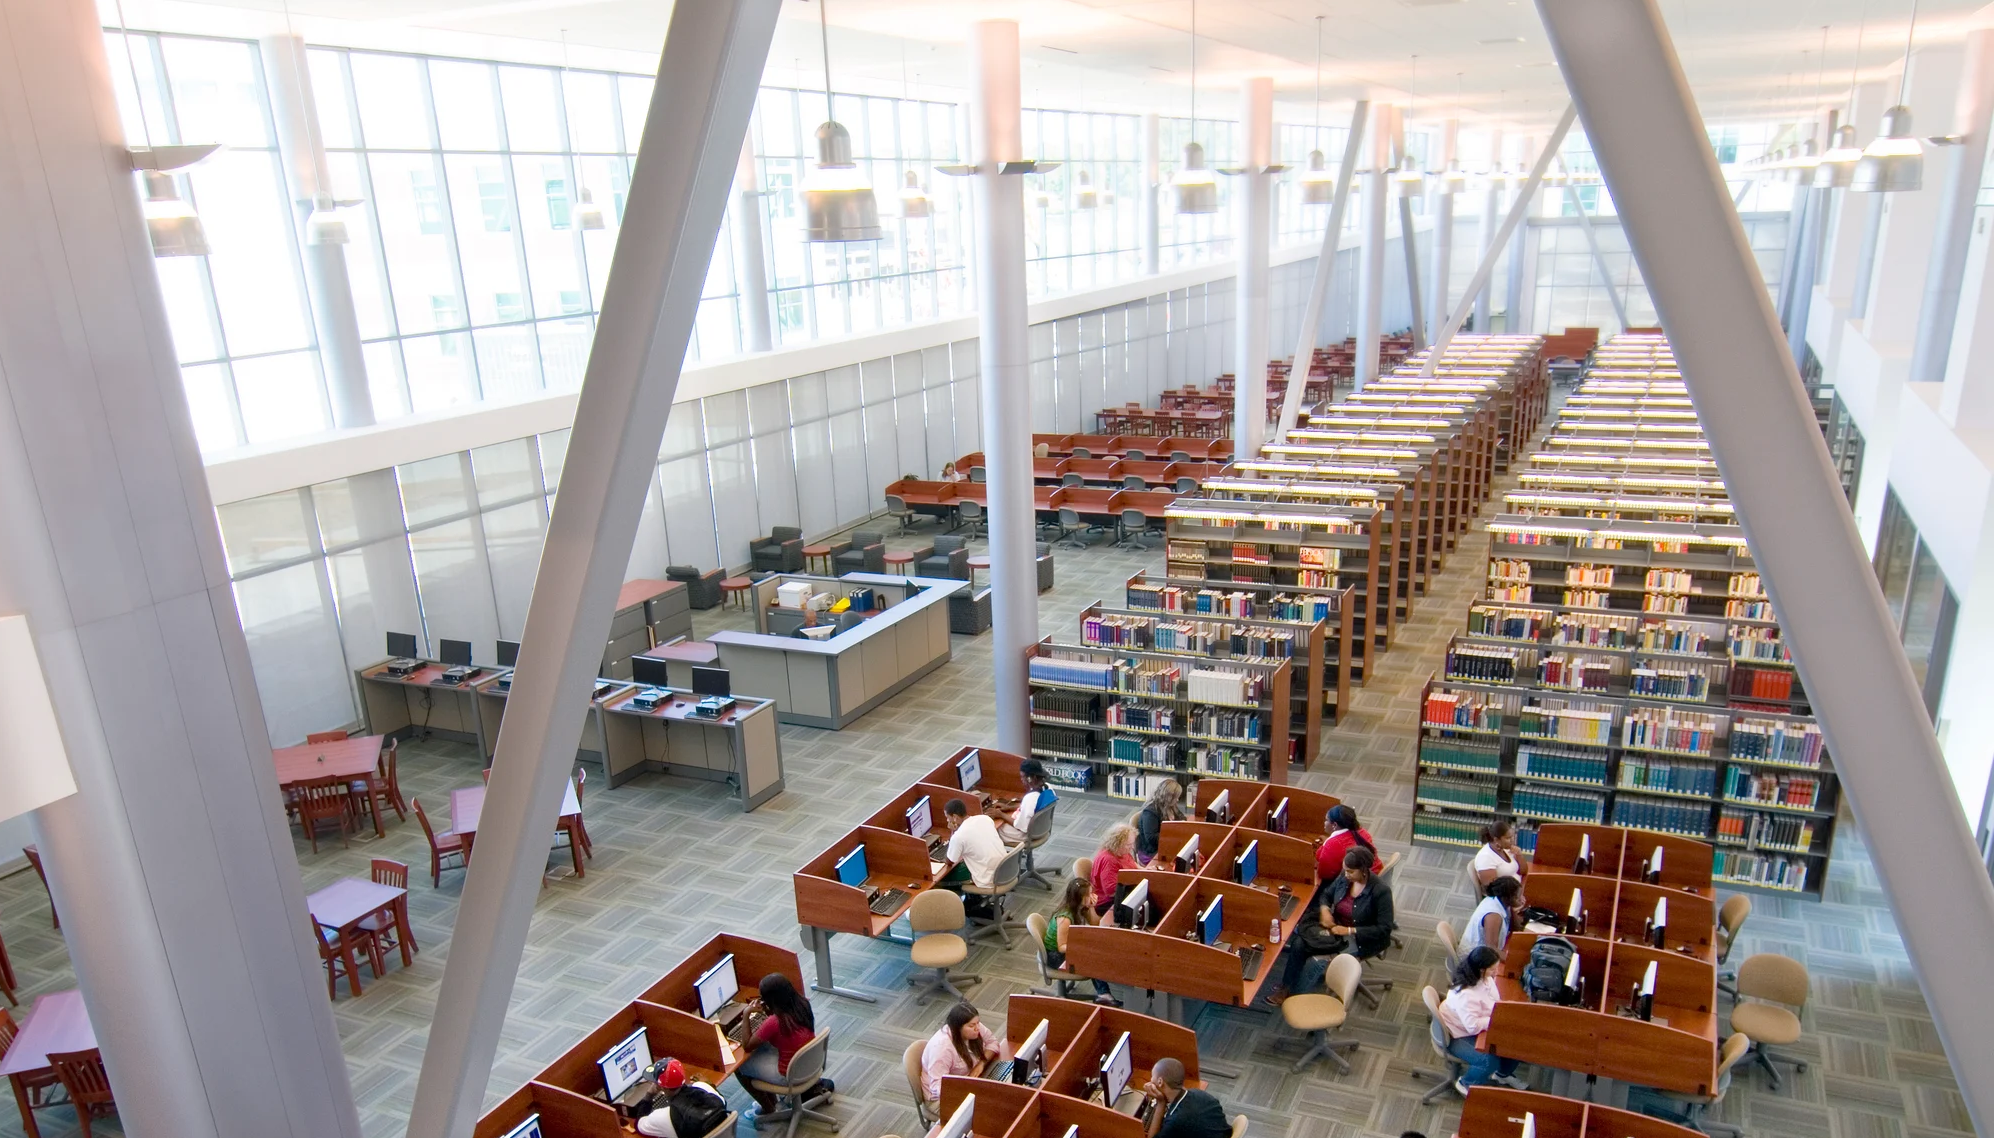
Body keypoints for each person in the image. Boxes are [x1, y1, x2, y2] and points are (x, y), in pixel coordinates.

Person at [1269, 847, 1396, 1002]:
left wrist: (1349, 930)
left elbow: (1384, 929)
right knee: (1299, 944)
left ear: (1363, 870)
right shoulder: (1345, 877)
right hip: (1336, 927)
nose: (1346, 875)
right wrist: (1325, 910)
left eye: (1350, 872)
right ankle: (1286, 987)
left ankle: (1296, 998)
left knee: (1318, 961)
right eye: (1345, 871)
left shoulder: (1380, 892)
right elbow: (1327, 894)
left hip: (1361, 939)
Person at [1436, 946, 1529, 1093]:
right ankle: (1466, 1083)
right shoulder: (1466, 995)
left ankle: (1502, 1074)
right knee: (1488, 1061)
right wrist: (1496, 1018)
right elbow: (1472, 1026)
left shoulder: (1485, 978)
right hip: (1456, 1034)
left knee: (1515, 1041)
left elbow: (1493, 1001)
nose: (1495, 972)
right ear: (1481, 969)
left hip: (1475, 1023)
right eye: (1492, 969)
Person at [735, 974, 817, 1123]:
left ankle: (769, 1108)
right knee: (762, 1048)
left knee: (739, 1067)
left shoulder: (774, 1022)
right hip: (809, 1063)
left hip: (789, 1075)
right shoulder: (803, 1003)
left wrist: (746, 1014)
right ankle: (772, 1100)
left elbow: (747, 1046)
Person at [1044, 876, 1120, 1004]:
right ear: (1079, 898)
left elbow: (1096, 923)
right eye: (1089, 894)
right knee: (1092, 956)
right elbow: (1061, 946)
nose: (1093, 895)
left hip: (1071, 945)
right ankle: (1103, 994)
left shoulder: (1081, 908)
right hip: (1055, 955)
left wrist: (1091, 907)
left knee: (1098, 948)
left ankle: (1107, 988)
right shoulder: (1065, 918)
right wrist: (1082, 948)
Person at [920, 1001, 1000, 1104]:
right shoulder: (942, 1049)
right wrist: (967, 1094)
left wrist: (981, 1064)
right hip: (942, 1100)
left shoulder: (974, 1026)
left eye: (978, 1023)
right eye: (971, 1026)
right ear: (958, 1028)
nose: (977, 1028)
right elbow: (939, 1088)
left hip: (970, 1080)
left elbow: (992, 1042)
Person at [634, 1058, 730, 1138]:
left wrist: (649, 1095)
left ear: (660, 1086)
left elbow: (640, 1126)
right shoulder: (703, 1087)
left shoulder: (664, 1116)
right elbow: (722, 1102)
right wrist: (708, 1084)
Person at [1140, 1058, 1229, 1138]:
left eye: (1152, 1077)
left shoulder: (1176, 1121)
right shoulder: (1199, 1093)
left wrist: (1161, 1103)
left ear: (1160, 1082)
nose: (1150, 1081)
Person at [940, 797, 1010, 892]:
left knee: (943, 879)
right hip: (1006, 868)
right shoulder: (985, 818)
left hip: (989, 878)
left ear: (955, 817)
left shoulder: (958, 837)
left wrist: (953, 832)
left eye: (948, 818)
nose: (947, 821)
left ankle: (965, 904)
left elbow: (949, 861)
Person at [1315, 805, 1400, 880]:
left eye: (1326, 820)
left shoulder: (1333, 844)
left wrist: (1324, 846)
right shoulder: (1362, 832)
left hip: (1360, 887)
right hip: (1374, 878)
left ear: (1334, 825)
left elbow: (1324, 874)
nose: (1324, 822)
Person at [1458, 875, 1524, 957]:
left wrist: (1513, 909)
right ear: (1506, 898)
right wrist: (1512, 961)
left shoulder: (1503, 902)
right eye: (1517, 897)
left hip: (1488, 952)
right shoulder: (1493, 916)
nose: (1522, 899)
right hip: (1475, 958)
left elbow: (1516, 929)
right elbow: (1491, 949)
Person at [994, 759, 1055, 843]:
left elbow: (1020, 826)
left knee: (994, 828)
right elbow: (1033, 807)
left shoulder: (1030, 798)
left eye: (1023, 776)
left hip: (1027, 835)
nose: (1021, 780)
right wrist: (1009, 807)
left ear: (1030, 778)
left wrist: (1001, 815)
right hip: (1042, 828)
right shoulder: (1048, 788)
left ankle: (1007, 855)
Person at [1091, 824, 1139, 916]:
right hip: (1108, 902)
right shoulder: (1109, 860)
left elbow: (1131, 863)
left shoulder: (1122, 851)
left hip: (1124, 891)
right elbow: (1111, 892)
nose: (1132, 847)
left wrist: (1145, 870)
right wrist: (1136, 883)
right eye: (1129, 845)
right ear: (1118, 843)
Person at [1133, 780, 1186, 865]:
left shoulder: (1171, 806)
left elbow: (1181, 818)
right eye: (1175, 797)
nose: (1178, 799)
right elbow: (1151, 839)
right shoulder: (1150, 812)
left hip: (1166, 846)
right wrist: (1173, 833)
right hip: (1151, 852)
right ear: (1168, 797)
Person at [1472, 821, 1528, 890]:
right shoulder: (1485, 858)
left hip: (1517, 889)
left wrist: (1519, 854)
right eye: (1508, 838)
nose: (1512, 840)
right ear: (1496, 840)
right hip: (1507, 896)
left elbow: (1523, 871)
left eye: (1513, 836)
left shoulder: (1506, 848)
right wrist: (1516, 896)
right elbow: (1492, 889)